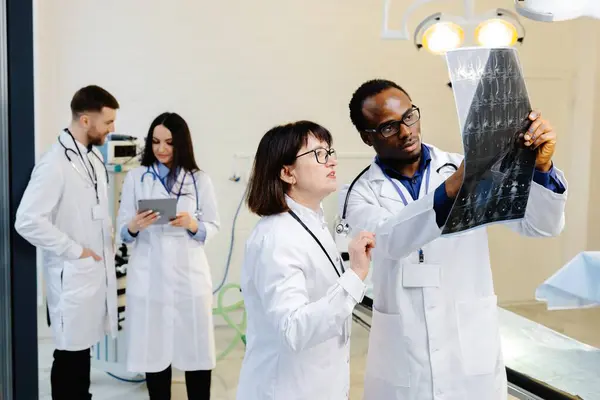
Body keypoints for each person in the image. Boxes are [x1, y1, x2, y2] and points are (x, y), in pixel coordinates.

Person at [341, 79, 567, 400]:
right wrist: (453, 187)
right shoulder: (359, 193)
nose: (406, 132)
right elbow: (389, 241)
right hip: (404, 352)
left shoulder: (463, 168)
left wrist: (542, 168)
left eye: (409, 117)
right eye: (389, 127)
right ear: (367, 137)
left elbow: (541, 226)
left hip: (468, 345)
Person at [236, 121, 375, 400]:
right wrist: (356, 274)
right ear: (287, 172)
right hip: (285, 390)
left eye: (330, 151)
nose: (332, 160)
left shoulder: (313, 222)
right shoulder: (277, 237)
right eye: (319, 154)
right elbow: (294, 330)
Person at [15, 85, 120, 399]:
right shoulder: (54, 164)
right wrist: (76, 250)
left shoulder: (92, 160)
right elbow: (27, 221)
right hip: (73, 274)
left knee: (81, 353)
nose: (113, 129)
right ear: (86, 121)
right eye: (108, 122)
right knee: (69, 357)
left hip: (91, 274)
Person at [116, 112, 219, 400]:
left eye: (169, 143)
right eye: (156, 141)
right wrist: (135, 226)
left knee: (196, 350)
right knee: (154, 353)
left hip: (189, 276)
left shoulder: (199, 180)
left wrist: (192, 224)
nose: (161, 149)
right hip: (150, 276)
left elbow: (213, 225)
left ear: (182, 144)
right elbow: (122, 231)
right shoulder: (137, 177)